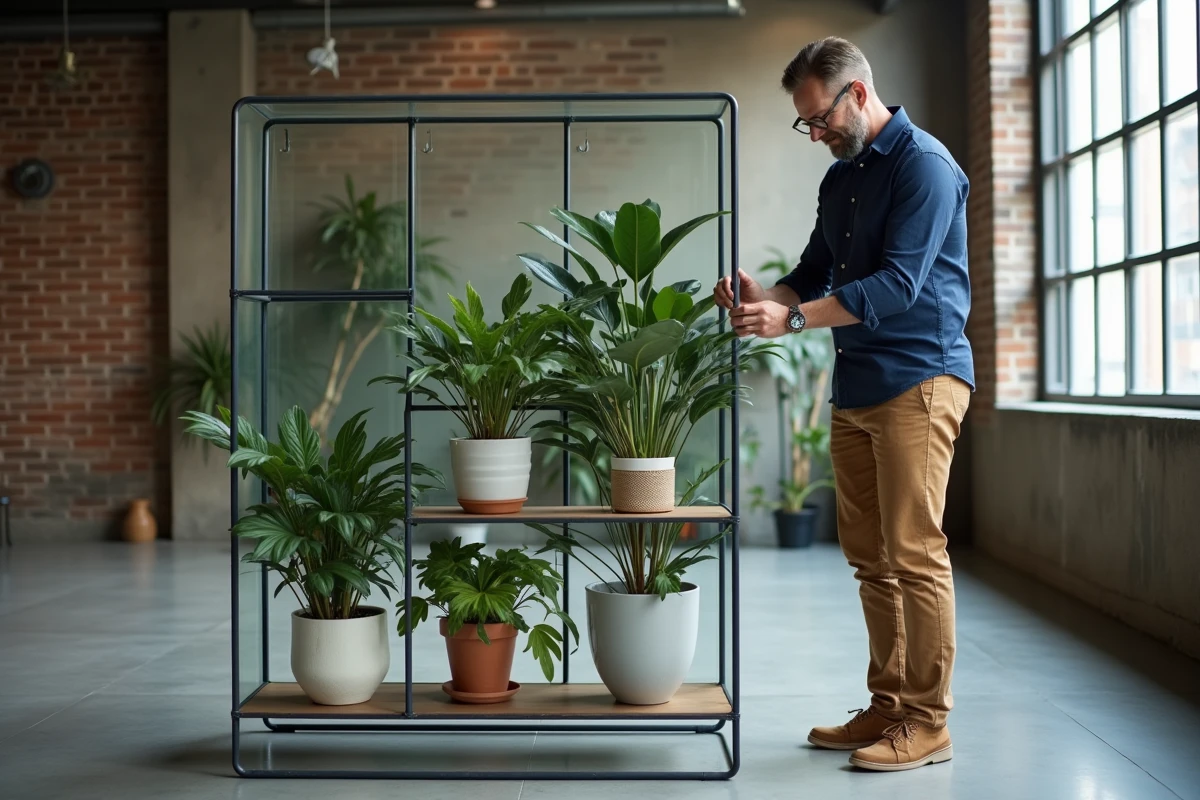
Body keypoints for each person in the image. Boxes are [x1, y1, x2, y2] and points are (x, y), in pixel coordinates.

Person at [714, 37, 973, 772]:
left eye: (819, 118)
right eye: (806, 123)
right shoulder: (841, 180)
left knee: (916, 556)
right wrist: (765, 298)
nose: (814, 134)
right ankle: (889, 706)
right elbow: (811, 272)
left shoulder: (924, 166)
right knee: (871, 559)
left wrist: (794, 321)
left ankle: (929, 723)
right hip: (858, 384)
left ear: (857, 94)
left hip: (920, 379)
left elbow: (898, 287)